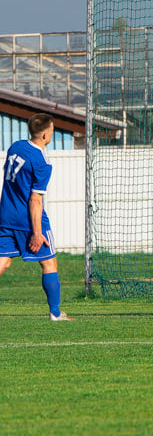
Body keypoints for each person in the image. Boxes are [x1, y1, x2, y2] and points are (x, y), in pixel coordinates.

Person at [0, 114, 72, 321]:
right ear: (44, 135)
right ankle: (55, 313)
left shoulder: (16, 146)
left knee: (3, 262)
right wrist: (37, 233)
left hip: (5, 215)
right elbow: (35, 200)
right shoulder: (42, 162)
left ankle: (56, 313)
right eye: (52, 129)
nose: (52, 132)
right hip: (26, 219)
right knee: (49, 263)